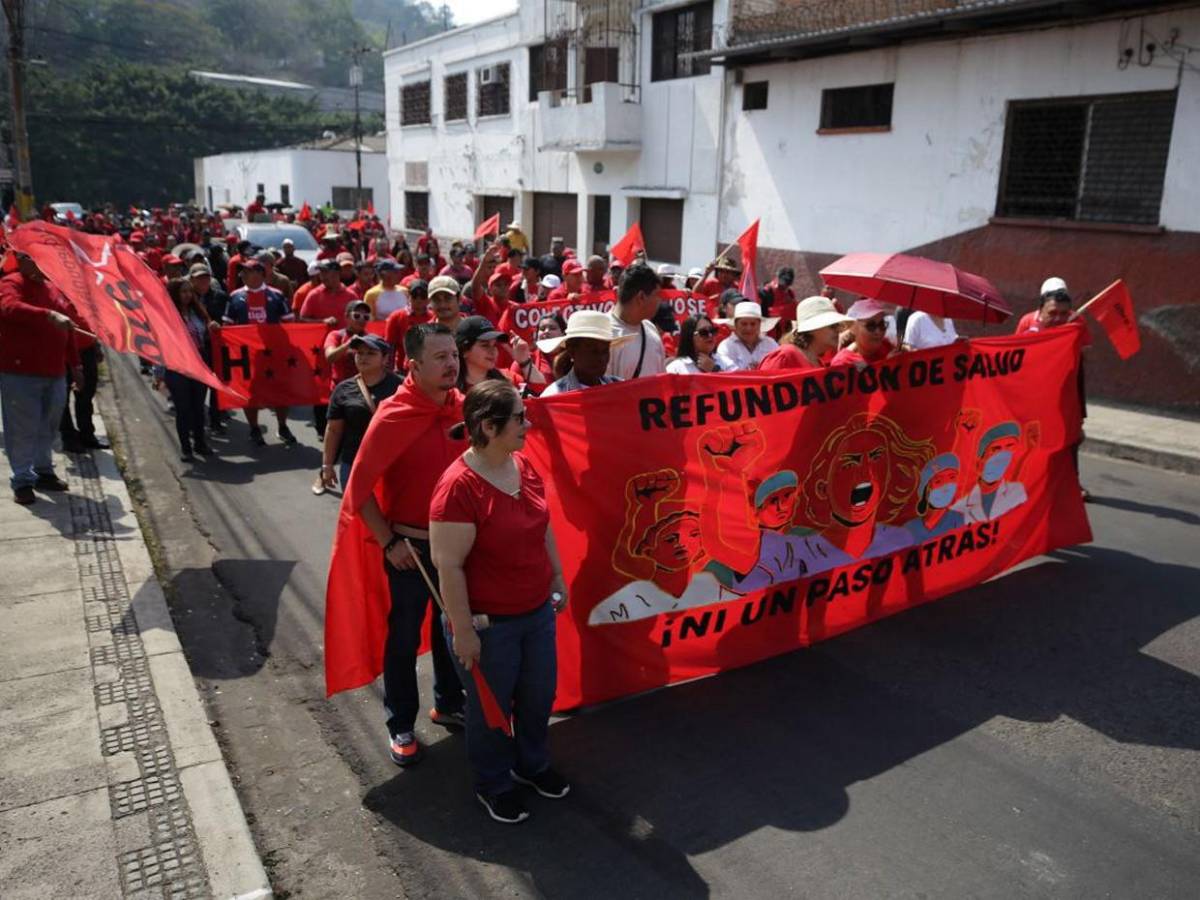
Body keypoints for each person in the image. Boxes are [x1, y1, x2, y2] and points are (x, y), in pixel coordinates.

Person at [430, 379, 570, 823]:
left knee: (537, 696)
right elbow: (448, 566)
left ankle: (532, 765)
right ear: (489, 427)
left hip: (535, 612)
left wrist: (558, 574)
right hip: (490, 626)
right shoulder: (457, 487)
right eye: (519, 418)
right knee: (491, 710)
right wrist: (464, 631)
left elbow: (542, 524)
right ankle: (494, 783)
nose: (528, 425)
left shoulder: (522, 465)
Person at [345, 323, 467, 766]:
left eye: (453, 355)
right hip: (410, 552)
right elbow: (357, 489)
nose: (451, 364)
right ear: (413, 366)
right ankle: (400, 723)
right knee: (402, 639)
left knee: (451, 631)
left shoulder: (464, 409)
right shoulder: (393, 415)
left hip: (459, 551)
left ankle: (449, 703)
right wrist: (389, 541)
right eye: (440, 357)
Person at [0, 252, 84, 504]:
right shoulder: (11, 283)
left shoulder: (52, 289)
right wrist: (46, 315)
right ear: (22, 260)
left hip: (55, 371)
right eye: (34, 258)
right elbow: (9, 307)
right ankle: (23, 479)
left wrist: (75, 364)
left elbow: (67, 328)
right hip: (20, 372)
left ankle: (44, 470)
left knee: (48, 425)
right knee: (22, 427)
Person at [1017, 276, 1089, 500]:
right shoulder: (1028, 323)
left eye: (1062, 313)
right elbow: (1014, 354)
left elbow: (1084, 352)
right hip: (1035, 390)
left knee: (1071, 437)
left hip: (1067, 388)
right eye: (1052, 313)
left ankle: (1072, 484)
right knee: (1033, 437)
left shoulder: (1076, 323)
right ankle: (1027, 481)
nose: (1058, 318)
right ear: (1041, 308)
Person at [223, 258, 297, 446]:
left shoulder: (277, 295)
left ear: (260, 274)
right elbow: (227, 326)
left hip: (274, 354)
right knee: (250, 394)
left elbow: (290, 324)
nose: (242, 275)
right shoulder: (235, 297)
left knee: (281, 391)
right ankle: (254, 428)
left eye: (247, 271)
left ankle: (282, 426)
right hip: (247, 356)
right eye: (242, 272)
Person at [318, 334, 402, 491]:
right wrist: (327, 465)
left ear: (385, 359)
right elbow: (334, 430)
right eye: (360, 353)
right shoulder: (343, 390)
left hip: (393, 466)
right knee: (354, 513)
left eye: (371, 353)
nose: (363, 357)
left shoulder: (402, 387)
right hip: (354, 464)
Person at [160, 278, 218, 461]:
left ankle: (200, 443)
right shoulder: (167, 315)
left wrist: (213, 327)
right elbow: (159, 345)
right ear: (175, 294)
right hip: (178, 366)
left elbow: (206, 335)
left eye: (189, 292)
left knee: (198, 408)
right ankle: (186, 448)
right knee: (183, 409)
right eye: (183, 292)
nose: (187, 295)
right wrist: (158, 373)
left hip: (199, 364)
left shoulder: (198, 312)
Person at [539, 310, 630, 396]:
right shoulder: (554, 395)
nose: (601, 358)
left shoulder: (621, 389)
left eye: (605, 350)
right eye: (593, 351)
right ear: (572, 351)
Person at [605, 263, 665, 380]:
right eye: (657, 294)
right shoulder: (602, 335)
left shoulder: (650, 329)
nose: (661, 300)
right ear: (641, 297)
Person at [760, 295, 852, 371]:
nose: (839, 330)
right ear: (812, 328)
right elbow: (761, 389)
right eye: (833, 326)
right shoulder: (786, 355)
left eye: (838, 325)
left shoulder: (819, 363)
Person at [455, 316, 516, 393]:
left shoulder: (509, 378)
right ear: (464, 350)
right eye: (485, 345)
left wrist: (525, 362)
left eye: (494, 345)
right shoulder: (448, 388)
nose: (493, 351)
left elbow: (535, 394)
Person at [829, 298, 897, 367]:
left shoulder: (886, 346)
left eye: (882, 324)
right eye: (871, 326)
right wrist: (887, 364)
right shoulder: (843, 362)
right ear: (853, 328)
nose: (878, 331)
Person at [714, 300, 780, 371]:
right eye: (744, 324)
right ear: (735, 325)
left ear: (759, 325)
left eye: (753, 324)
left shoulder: (770, 344)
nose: (749, 328)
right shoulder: (726, 347)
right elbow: (728, 374)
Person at [385, 279, 432, 371]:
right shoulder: (396, 317)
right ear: (408, 296)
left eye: (423, 296)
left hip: (429, 369)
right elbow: (390, 347)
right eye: (414, 295)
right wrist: (389, 372)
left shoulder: (434, 317)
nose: (419, 300)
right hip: (403, 369)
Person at [510, 313, 564, 391]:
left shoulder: (573, 358)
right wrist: (525, 364)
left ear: (563, 333)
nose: (546, 331)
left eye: (552, 328)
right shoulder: (523, 360)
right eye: (542, 329)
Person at [300, 260, 355, 329]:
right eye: (321, 273)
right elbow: (302, 319)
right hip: (322, 339)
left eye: (325, 272)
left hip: (346, 339)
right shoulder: (314, 295)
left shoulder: (351, 296)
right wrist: (322, 322)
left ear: (336, 274)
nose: (322, 277)